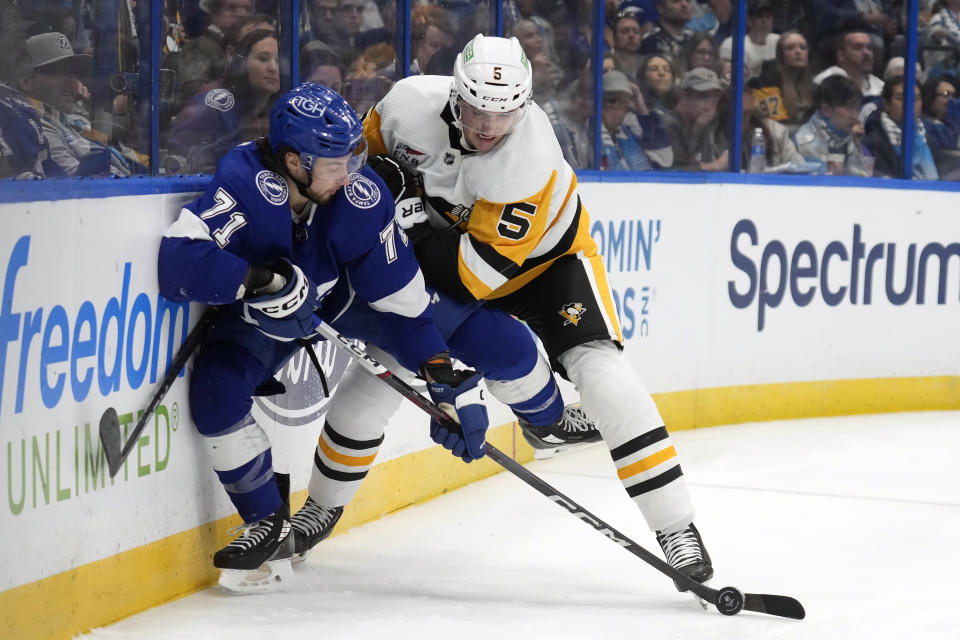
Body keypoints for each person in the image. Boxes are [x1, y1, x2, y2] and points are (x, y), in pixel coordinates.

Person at [358, 34, 715, 589]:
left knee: (602, 372)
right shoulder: (406, 105)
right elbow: (354, 167)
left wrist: (406, 216)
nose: (487, 127)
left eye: (503, 114)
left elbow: (471, 279)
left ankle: (676, 527)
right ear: (454, 94)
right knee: (377, 379)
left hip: (548, 265)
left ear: (524, 106)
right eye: (476, 108)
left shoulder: (528, 159)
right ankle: (319, 510)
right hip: (454, 253)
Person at [158, 82, 495, 592]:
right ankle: (266, 523)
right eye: (335, 163)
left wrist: (442, 377)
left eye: (352, 157)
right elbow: (177, 261)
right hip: (265, 321)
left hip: (341, 306)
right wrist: (261, 280)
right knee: (216, 393)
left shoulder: (359, 198)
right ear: (294, 161)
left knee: (462, 349)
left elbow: (403, 305)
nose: (350, 173)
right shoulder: (243, 183)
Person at [167, 29, 281, 173]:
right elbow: (177, 160)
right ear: (241, 63)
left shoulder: (277, 110)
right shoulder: (214, 106)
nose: (273, 67)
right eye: (263, 59)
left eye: (279, 61)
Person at [795, 74, 873, 176]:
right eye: (849, 108)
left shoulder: (857, 145)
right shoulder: (802, 145)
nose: (854, 116)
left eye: (857, 109)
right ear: (826, 109)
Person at [863, 76, 939, 180]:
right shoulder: (873, 143)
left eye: (916, 99)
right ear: (886, 104)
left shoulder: (929, 140)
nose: (910, 104)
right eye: (901, 98)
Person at [600, 69, 673, 170]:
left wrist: (643, 113)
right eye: (610, 100)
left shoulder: (631, 132)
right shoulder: (591, 133)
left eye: (621, 100)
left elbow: (665, 161)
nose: (616, 105)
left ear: (628, 106)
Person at [661, 67, 729, 171]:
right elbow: (669, 174)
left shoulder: (701, 125)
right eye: (703, 97)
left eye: (714, 99)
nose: (708, 106)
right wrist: (715, 166)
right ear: (683, 96)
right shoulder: (666, 126)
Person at [740, 77, 803, 170]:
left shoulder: (776, 131)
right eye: (745, 90)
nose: (753, 91)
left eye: (752, 87)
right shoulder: (716, 132)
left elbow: (801, 168)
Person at [756, 30, 814, 125]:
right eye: (790, 48)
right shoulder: (768, 80)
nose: (798, 52)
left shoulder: (811, 81)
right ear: (780, 54)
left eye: (803, 48)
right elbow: (772, 123)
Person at [719, 0, 779, 78]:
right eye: (759, 16)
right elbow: (727, 78)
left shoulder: (778, 41)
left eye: (768, 16)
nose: (764, 20)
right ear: (749, 20)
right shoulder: (732, 44)